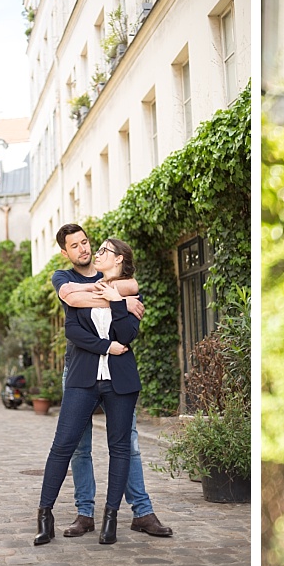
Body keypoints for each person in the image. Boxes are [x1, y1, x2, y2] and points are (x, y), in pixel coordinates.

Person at [50, 223, 173, 539]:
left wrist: (119, 297)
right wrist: (119, 301)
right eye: (74, 246)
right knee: (79, 446)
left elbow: (131, 286)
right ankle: (84, 513)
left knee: (127, 443)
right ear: (65, 252)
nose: (84, 249)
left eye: (86, 242)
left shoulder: (116, 276)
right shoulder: (64, 278)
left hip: (115, 371)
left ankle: (142, 512)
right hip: (79, 369)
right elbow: (72, 299)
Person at [33, 236, 141, 546]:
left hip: (121, 381)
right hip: (83, 377)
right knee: (63, 444)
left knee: (120, 448)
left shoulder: (129, 290)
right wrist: (107, 345)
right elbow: (73, 329)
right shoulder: (83, 284)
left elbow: (128, 334)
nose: (95, 252)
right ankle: (44, 516)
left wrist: (118, 303)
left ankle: (111, 519)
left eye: (104, 250)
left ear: (118, 259)